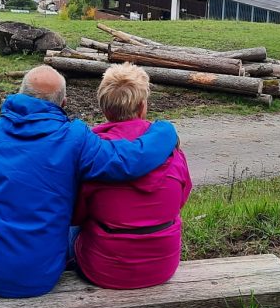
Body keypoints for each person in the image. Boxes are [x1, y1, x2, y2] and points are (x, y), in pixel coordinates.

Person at [0, 65, 180, 298]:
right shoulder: (75, 138)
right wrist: (165, 131)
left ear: (20, 93)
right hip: (43, 276)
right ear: (63, 103)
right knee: (74, 230)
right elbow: (127, 160)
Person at [71, 63, 192, 289]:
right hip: (163, 266)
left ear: (105, 109)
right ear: (143, 106)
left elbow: (76, 216)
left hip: (104, 270)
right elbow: (181, 200)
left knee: (68, 230)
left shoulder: (92, 154)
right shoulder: (172, 150)